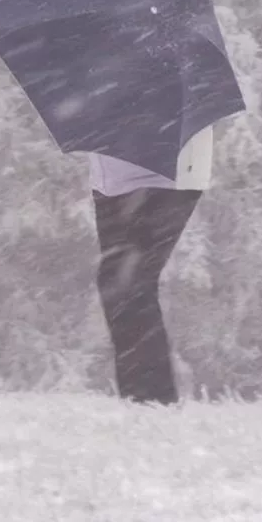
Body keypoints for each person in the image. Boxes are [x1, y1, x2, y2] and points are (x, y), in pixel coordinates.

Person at [89, 124, 213, 405]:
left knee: (130, 282)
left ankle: (153, 397)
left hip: (167, 174)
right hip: (111, 174)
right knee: (116, 283)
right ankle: (140, 397)